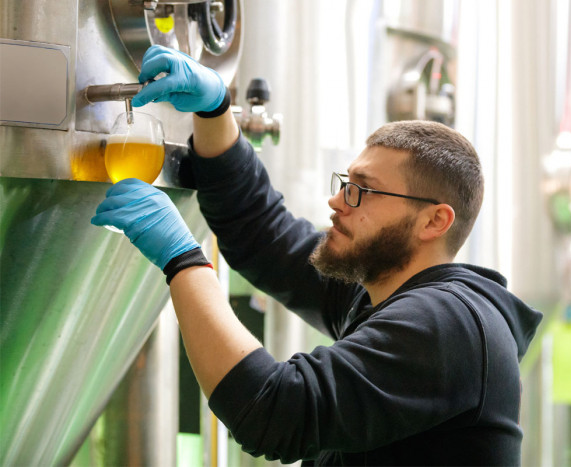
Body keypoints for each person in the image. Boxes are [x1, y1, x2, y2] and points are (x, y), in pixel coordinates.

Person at [92, 44, 542, 466]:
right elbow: (266, 237)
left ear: (433, 221)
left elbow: (274, 410)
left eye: (361, 190)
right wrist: (214, 111)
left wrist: (183, 260)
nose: (338, 201)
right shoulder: (382, 291)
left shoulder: (448, 324)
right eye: (345, 183)